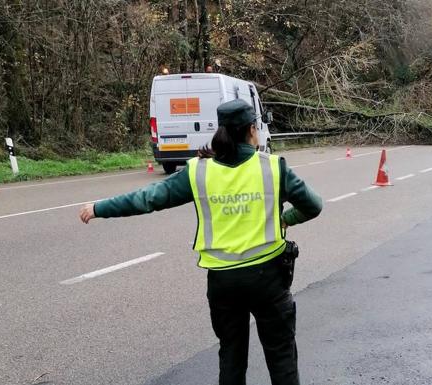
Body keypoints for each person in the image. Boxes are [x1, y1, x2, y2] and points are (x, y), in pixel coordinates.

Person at [79, 99, 323, 385]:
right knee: (281, 356)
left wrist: (99, 208)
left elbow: (148, 199)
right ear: (252, 130)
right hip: (268, 278)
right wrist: (286, 219)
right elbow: (313, 205)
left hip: (223, 283)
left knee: (231, 357)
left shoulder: (199, 171)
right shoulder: (272, 167)